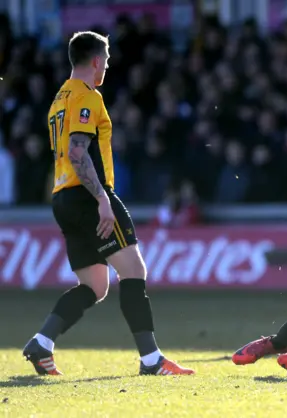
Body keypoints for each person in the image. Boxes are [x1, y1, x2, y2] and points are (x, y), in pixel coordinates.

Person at [22, 31, 194, 376]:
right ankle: (151, 360)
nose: (109, 64)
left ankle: (42, 342)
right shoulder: (87, 95)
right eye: (108, 58)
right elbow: (77, 151)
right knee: (134, 271)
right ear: (97, 61)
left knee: (95, 286)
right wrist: (102, 198)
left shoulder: (60, 98)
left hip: (63, 198)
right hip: (88, 196)